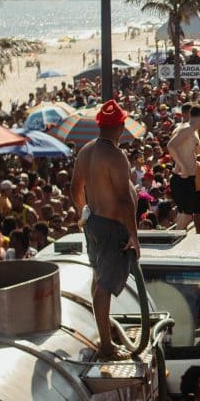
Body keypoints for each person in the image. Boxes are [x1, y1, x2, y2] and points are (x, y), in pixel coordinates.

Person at [71, 99, 140, 359]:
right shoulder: (115, 155)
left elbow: (75, 189)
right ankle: (106, 345)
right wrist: (134, 236)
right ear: (121, 127)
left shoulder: (86, 150)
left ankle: (103, 330)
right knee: (104, 285)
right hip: (111, 226)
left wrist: (83, 214)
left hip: (94, 223)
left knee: (98, 276)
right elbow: (124, 200)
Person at [165, 104, 200, 234]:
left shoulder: (191, 130)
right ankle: (175, 239)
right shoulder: (187, 129)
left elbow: (186, 152)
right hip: (182, 178)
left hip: (189, 178)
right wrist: (183, 166)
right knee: (187, 215)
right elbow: (171, 146)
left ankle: (176, 238)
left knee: (185, 214)